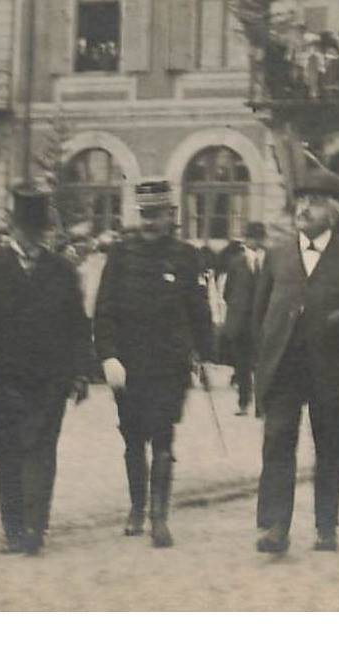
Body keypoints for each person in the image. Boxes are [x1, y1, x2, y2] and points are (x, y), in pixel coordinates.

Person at [251, 166, 339, 554]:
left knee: (331, 446)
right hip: (285, 365)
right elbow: (260, 312)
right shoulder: (277, 255)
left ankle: (326, 526)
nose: (304, 208)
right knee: (277, 442)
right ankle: (275, 527)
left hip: (331, 365)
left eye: (315, 202)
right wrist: (261, 358)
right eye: (301, 200)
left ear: (335, 211)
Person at [0, 185, 94, 555]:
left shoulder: (61, 270)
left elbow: (76, 324)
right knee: (7, 454)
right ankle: (13, 528)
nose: (33, 237)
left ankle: (36, 527)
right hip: (1, 375)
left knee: (41, 450)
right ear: (14, 229)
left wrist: (81, 372)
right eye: (26, 229)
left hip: (48, 377)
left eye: (38, 230)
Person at [92, 180, 215, 549]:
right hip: (128, 365)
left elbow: (199, 310)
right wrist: (108, 355)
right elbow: (104, 310)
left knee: (163, 436)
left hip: (169, 364)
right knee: (132, 437)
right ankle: (136, 508)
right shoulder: (121, 255)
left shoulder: (186, 256)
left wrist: (205, 355)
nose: (150, 223)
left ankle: (159, 516)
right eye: (145, 215)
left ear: (170, 216)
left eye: (157, 215)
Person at [220, 221, 268, 416]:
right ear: (246, 240)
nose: (255, 242)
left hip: (263, 322)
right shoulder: (236, 262)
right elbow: (227, 292)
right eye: (251, 238)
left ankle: (262, 406)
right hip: (240, 323)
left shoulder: (270, 260)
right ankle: (243, 402)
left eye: (259, 238)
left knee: (263, 365)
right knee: (242, 365)